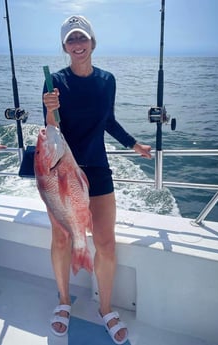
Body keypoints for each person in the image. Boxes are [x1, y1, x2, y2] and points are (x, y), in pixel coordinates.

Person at [42, 15, 151, 344]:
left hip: (98, 169)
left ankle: (105, 308)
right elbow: (51, 132)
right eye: (71, 40)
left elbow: (109, 121)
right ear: (64, 46)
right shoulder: (54, 81)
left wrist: (133, 143)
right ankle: (63, 301)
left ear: (92, 42)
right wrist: (49, 109)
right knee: (61, 240)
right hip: (62, 171)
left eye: (82, 38)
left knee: (104, 242)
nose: (77, 44)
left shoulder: (108, 80)